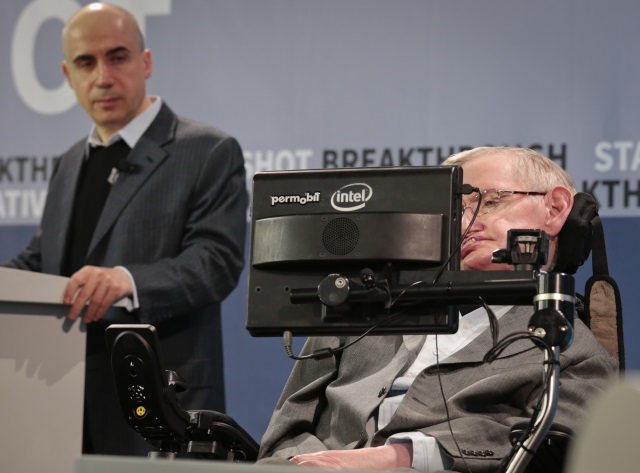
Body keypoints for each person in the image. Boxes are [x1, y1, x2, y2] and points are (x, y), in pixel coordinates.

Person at [257, 147, 619, 472]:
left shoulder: (571, 349)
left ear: (555, 209)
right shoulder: (359, 308)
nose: (464, 224)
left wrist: (398, 457)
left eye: (490, 201)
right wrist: (301, 465)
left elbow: (557, 442)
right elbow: (288, 427)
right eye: (451, 211)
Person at [1, 3, 247, 456]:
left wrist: (125, 280)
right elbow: (45, 261)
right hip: (57, 403)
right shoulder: (68, 162)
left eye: (117, 57)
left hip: (159, 408)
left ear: (145, 61)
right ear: (66, 73)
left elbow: (217, 262)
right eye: (85, 62)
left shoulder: (208, 150)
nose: (102, 77)